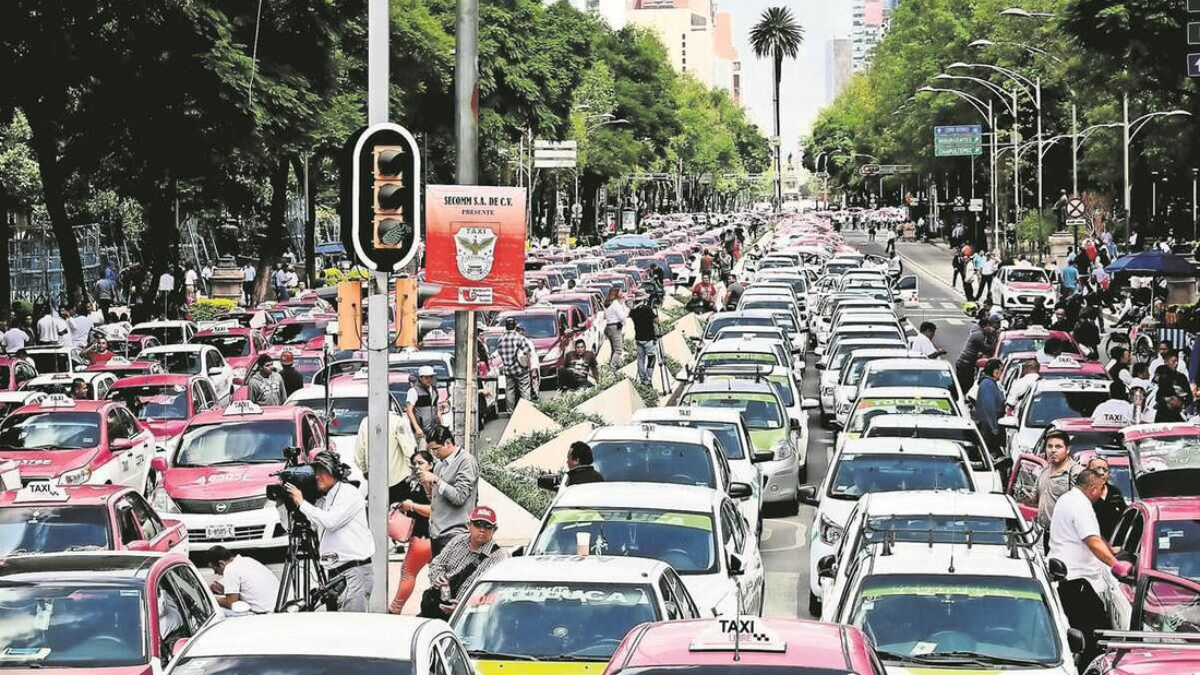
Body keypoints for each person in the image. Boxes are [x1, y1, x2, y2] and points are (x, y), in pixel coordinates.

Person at [285, 450, 375, 612]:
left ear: (335, 472)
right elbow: (308, 524)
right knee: (336, 627)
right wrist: (287, 503)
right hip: (334, 573)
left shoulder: (348, 493)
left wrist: (301, 502)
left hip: (354, 571)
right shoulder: (322, 499)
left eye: (322, 472)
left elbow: (331, 521)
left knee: (351, 627)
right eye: (315, 472)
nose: (317, 476)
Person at [1048, 469, 1119, 666]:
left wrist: (1111, 550)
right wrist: (1117, 566)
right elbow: (1092, 541)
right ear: (1094, 488)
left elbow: (1093, 536)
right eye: (1101, 489)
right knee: (1094, 639)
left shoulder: (1067, 498)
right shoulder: (1081, 506)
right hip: (1078, 582)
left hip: (1067, 577)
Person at [420, 506, 507, 620]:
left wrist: (463, 607)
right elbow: (437, 563)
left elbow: (494, 592)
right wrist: (438, 577)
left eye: (487, 526)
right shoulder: (458, 540)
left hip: (470, 615)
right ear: (468, 525)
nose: (482, 529)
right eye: (478, 524)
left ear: (494, 530)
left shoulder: (499, 557)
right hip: (438, 601)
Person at [420, 425, 479, 555]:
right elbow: (434, 499)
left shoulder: (466, 461)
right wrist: (426, 483)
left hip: (456, 534)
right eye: (431, 450)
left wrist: (436, 480)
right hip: (437, 533)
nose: (434, 454)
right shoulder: (440, 465)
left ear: (447, 443)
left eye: (436, 449)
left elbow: (460, 497)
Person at [388, 451, 435, 614]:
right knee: (438, 577)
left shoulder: (431, 482)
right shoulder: (413, 482)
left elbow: (435, 510)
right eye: (414, 463)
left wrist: (412, 506)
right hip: (437, 537)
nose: (417, 466)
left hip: (424, 537)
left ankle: (395, 609)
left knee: (408, 573)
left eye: (421, 462)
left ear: (431, 464)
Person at [354, 407, 416, 505]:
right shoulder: (398, 421)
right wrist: (413, 468)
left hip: (376, 481)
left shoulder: (366, 422)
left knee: (376, 514)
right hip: (399, 480)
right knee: (398, 516)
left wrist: (365, 470)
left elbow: (359, 452)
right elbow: (408, 449)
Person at [1032, 430, 1083, 535]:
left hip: (1067, 535)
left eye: (1058, 447)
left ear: (1067, 450)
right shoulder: (1044, 471)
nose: (1053, 450)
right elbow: (1034, 498)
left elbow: (1081, 506)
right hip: (1046, 534)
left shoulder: (1075, 472)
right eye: (1049, 446)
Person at [206, 545, 281, 615]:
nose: (217, 574)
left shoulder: (230, 569)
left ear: (221, 563)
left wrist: (211, 598)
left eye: (215, 570)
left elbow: (231, 603)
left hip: (265, 613)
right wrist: (224, 590)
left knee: (217, 612)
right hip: (278, 606)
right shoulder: (246, 560)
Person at [497, 318, 533, 410]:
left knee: (509, 390)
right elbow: (527, 351)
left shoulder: (501, 339)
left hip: (508, 369)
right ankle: (526, 409)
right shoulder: (519, 337)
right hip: (520, 368)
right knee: (524, 389)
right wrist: (529, 367)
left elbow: (500, 353)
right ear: (515, 326)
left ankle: (510, 411)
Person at [1086, 456, 1125, 539]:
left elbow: (1124, 518)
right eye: (1097, 469)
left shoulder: (1115, 492)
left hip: (1114, 544)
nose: (1102, 473)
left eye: (1105, 470)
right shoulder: (1083, 494)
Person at [954, 318, 996, 392]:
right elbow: (986, 349)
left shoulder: (978, 332)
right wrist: (992, 338)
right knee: (966, 384)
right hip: (965, 364)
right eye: (989, 326)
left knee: (965, 383)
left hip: (966, 363)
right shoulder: (979, 335)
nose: (991, 328)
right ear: (984, 326)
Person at [974, 359, 1005, 457]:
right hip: (988, 427)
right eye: (1000, 370)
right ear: (995, 372)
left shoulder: (991, 383)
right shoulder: (987, 384)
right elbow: (989, 407)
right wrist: (993, 427)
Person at [405, 365, 440, 447]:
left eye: (431, 377)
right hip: (421, 430)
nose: (429, 380)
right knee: (422, 453)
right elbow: (409, 410)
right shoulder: (414, 391)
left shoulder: (434, 390)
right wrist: (417, 428)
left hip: (433, 430)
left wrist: (440, 424)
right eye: (426, 378)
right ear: (420, 378)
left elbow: (437, 409)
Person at [629, 296, 659, 384]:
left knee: (640, 359)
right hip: (648, 338)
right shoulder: (647, 309)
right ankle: (649, 378)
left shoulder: (633, 311)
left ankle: (643, 378)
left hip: (639, 338)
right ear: (644, 300)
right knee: (651, 357)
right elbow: (657, 321)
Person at [603, 288, 629, 366]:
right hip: (615, 328)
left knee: (614, 350)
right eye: (621, 291)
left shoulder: (609, 303)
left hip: (609, 327)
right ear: (616, 293)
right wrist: (626, 309)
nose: (622, 293)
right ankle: (613, 367)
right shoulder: (615, 304)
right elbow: (622, 316)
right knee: (618, 350)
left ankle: (610, 367)